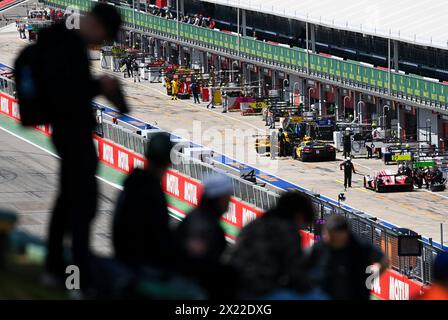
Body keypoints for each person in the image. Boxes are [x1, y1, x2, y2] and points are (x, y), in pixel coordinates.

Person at [36, 4, 127, 292]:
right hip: (72, 133)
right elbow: (66, 92)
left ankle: (58, 270)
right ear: (96, 24)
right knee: (82, 207)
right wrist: (98, 86)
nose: (100, 44)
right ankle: (76, 278)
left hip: (68, 131)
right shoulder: (68, 44)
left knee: (69, 203)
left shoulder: (61, 38)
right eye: (103, 36)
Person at [229, 191, 318, 299]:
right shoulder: (288, 231)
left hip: (234, 287)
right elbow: (296, 274)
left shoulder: (253, 225)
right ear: (299, 215)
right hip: (260, 291)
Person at [113, 133, 174, 270]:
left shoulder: (131, 183)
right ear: (168, 162)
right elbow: (160, 239)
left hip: (124, 260)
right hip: (142, 267)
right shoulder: (151, 192)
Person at [174, 174, 234, 299]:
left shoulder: (194, 217)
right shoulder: (206, 227)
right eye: (228, 198)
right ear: (219, 198)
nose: (230, 202)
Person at [306, 215, 389, 300]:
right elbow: (302, 263)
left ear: (344, 234)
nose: (327, 238)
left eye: (332, 236)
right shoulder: (321, 246)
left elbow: (384, 260)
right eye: (326, 234)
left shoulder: (360, 246)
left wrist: (371, 276)